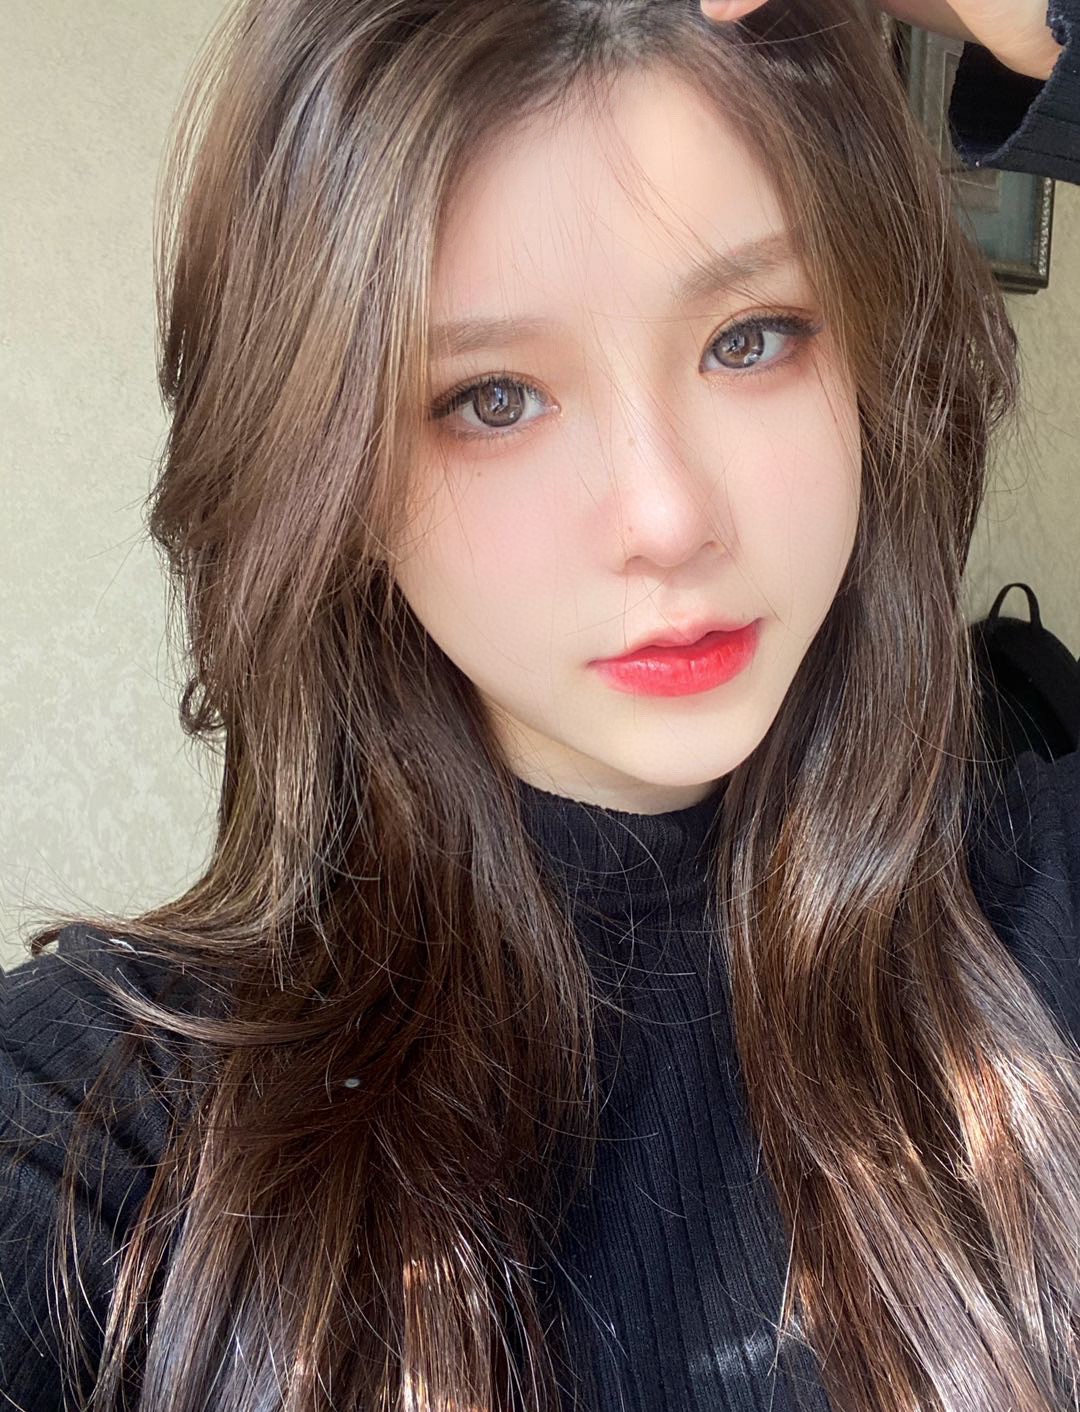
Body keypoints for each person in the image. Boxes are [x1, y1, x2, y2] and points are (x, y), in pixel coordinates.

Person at [2, 2, 1079, 1411]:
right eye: (494, 398)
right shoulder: (104, 1124)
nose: (666, 517)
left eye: (752, 336)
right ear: (330, 473)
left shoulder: (1047, 916)